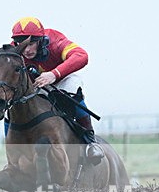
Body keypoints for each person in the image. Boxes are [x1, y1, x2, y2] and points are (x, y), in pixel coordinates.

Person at [10, 16, 104, 161]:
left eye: (31, 44)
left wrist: (54, 74)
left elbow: (82, 55)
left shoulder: (56, 41)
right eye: (22, 44)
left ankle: (90, 142)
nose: (26, 50)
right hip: (38, 84)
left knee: (73, 90)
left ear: (40, 40)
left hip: (62, 79)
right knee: (14, 106)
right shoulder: (15, 49)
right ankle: (12, 154)